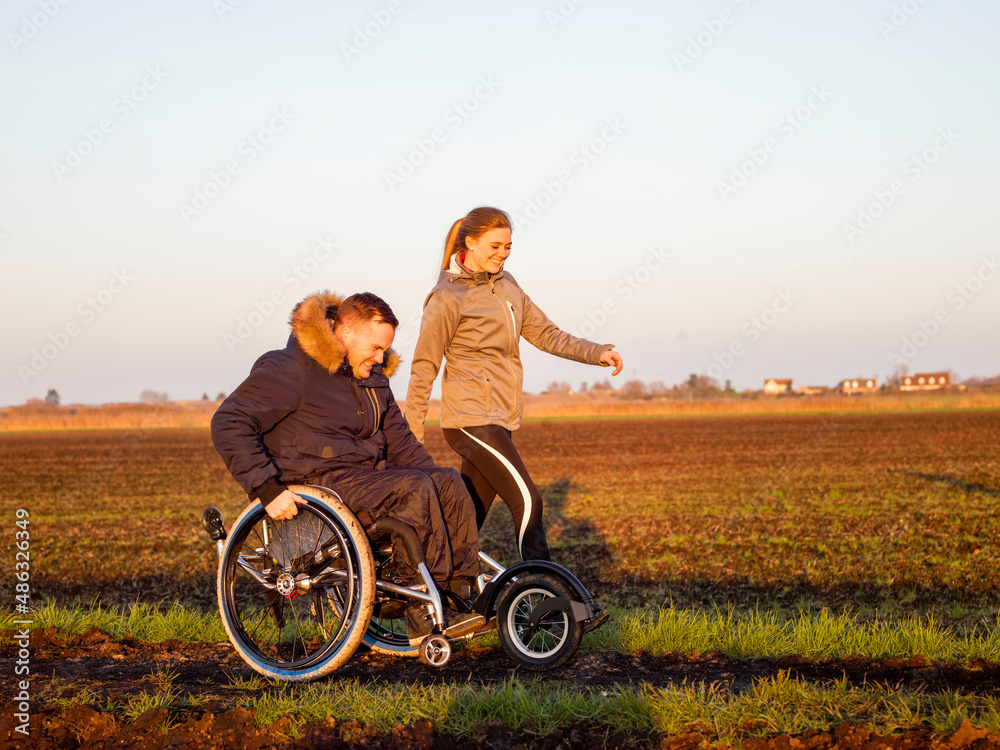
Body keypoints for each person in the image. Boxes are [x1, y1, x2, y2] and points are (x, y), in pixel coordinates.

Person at [212, 290, 485, 645]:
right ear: (345, 334)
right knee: (414, 488)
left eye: (385, 349)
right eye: (374, 348)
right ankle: (417, 607)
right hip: (315, 485)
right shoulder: (290, 369)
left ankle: (457, 596)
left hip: (362, 480)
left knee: (447, 481)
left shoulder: (372, 379)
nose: (380, 356)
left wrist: (438, 487)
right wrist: (267, 490)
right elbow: (229, 422)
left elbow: (401, 444)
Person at [405, 207, 624, 563]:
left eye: (508, 246)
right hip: (469, 420)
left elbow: (546, 334)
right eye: (495, 246)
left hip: (502, 418)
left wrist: (596, 352)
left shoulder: (508, 285)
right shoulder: (447, 297)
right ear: (470, 243)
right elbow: (423, 368)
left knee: (468, 519)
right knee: (528, 499)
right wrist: (412, 437)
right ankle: (546, 595)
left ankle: (436, 593)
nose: (502, 253)